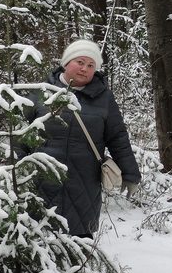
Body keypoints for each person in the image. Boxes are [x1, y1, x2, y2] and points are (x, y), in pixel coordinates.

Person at [25, 39, 141, 238]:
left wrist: (131, 174)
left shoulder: (104, 98)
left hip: (84, 181)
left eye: (90, 65)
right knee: (40, 231)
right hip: (43, 176)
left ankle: (80, 267)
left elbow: (117, 137)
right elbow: (21, 133)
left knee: (80, 233)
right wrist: (15, 167)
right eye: (80, 62)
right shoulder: (41, 92)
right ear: (66, 62)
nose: (85, 69)